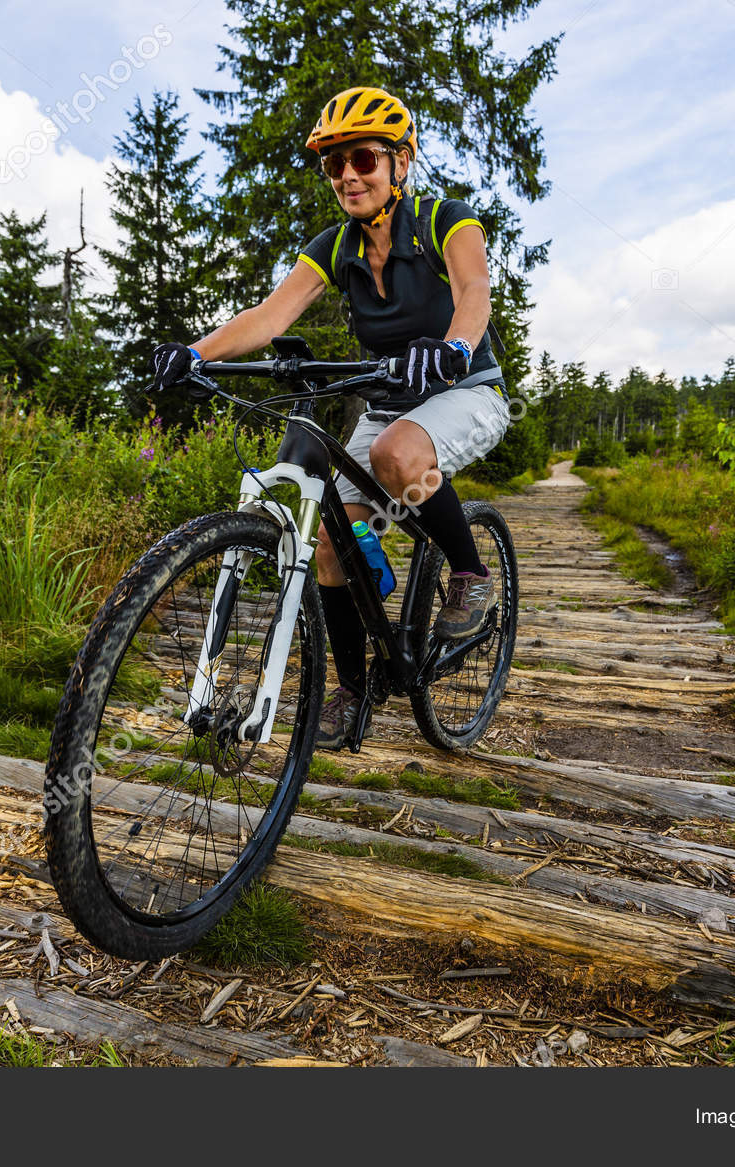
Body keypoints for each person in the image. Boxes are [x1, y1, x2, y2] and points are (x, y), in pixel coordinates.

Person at [150, 85, 510, 749]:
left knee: (396, 455)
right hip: (387, 399)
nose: (349, 174)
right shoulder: (336, 246)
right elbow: (268, 317)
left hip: (467, 391)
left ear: (401, 161)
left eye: (365, 159)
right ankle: (352, 687)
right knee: (327, 535)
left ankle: (470, 574)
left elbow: (474, 292)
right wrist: (194, 353)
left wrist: (454, 349)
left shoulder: (445, 220)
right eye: (334, 164)